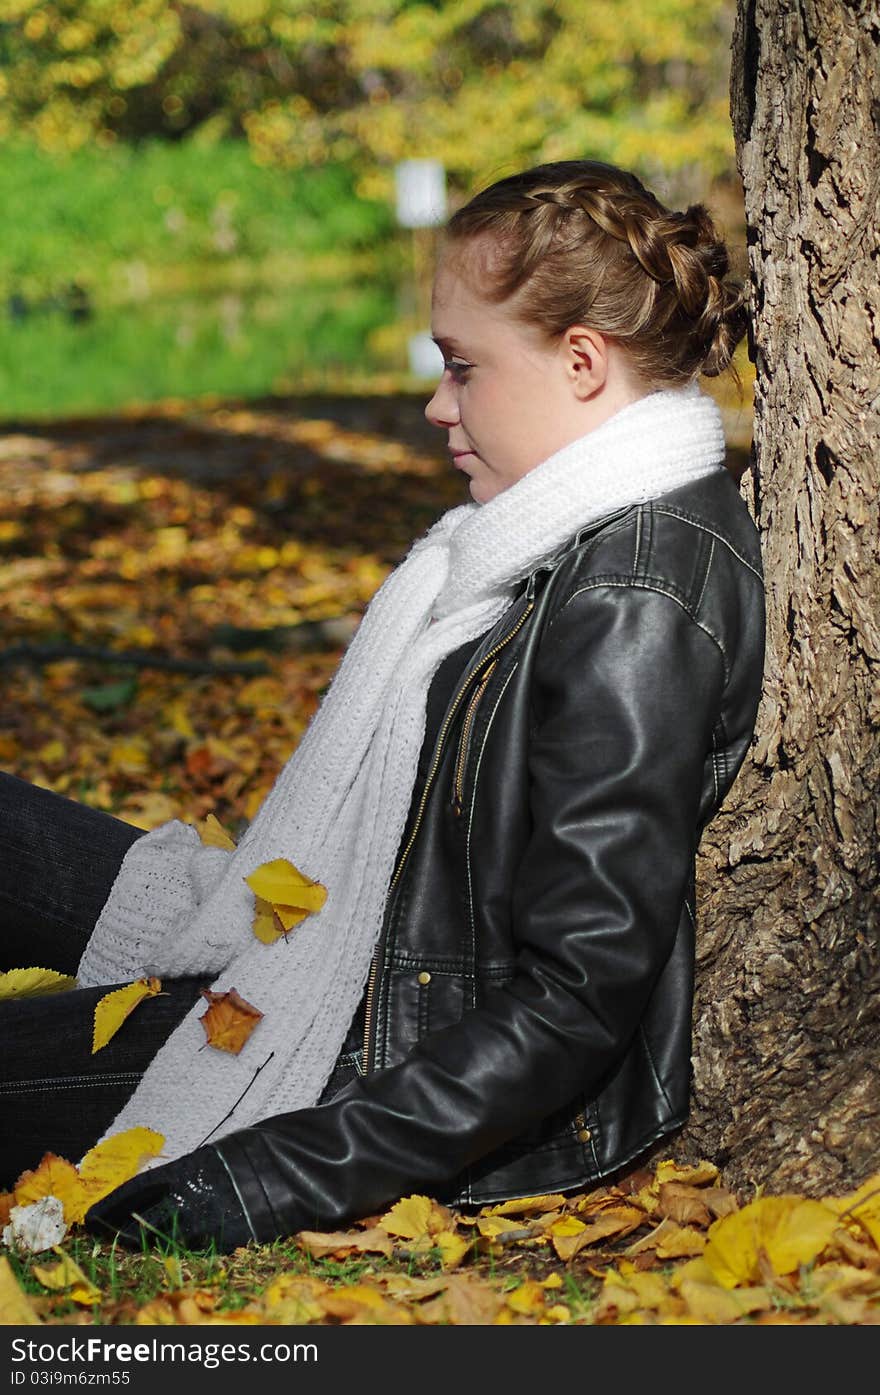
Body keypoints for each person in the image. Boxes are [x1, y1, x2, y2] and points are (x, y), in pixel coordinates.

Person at [0, 159, 765, 1251]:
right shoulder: (548, 539)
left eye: (462, 369)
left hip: (361, 1045)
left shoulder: (634, 597)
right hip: (328, 939)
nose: (434, 404)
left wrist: (272, 1171)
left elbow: (577, 996)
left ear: (582, 363)